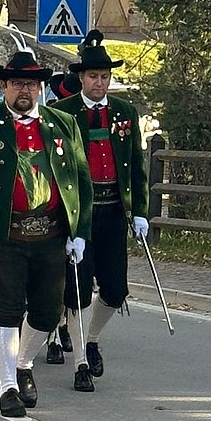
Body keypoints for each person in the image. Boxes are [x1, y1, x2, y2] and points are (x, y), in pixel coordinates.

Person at [0, 50, 93, 417]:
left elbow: (80, 180)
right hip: (3, 235)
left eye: (30, 84)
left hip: (51, 234)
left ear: (40, 88)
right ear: (4, 87)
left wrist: (80, 230)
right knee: (6, 311)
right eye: (16, 83)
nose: (23, 90)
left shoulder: (63, 124)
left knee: (47, 313)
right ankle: (7, 385)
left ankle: (24, 363)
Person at [51, 30, 149, 390]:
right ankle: (80, 361)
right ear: (81, 78)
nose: (100, 82)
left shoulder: (124, 112)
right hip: (78, 212)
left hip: (113, 212)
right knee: (78, 287)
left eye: (105, 76)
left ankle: (91, 338)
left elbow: (136, 165)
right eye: (93, 76)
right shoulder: (62, 113)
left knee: (115, 289)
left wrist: (140, 211)